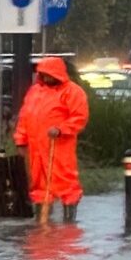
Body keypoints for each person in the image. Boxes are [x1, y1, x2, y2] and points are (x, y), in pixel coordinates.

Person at [13, 57, 89, 224]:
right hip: (36, 148)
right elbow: (25, 117)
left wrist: (62, 129)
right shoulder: (35, 91)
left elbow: (79, 117)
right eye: (43, 74)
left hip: (59, 146)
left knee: (65, 180)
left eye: (48, 74)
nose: (46, 78)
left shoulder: (72, 92)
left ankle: (69, 222)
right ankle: (42, 222)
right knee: (38, 182)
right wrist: (20, 141)